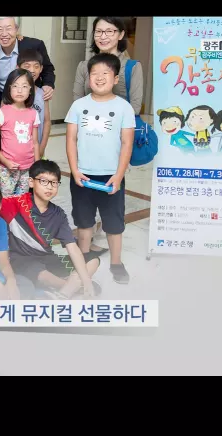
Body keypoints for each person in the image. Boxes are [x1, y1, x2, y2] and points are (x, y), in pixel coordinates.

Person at [73, 17, 145, 254]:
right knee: (86, 195)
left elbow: (135, 105)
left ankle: (106, 238)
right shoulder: (84, 66)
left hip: (115, 139)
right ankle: (88, 237)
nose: (103, 36)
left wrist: (109, 111)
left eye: (109, 31)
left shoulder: (131, 67)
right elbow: (77, 100)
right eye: (98, 31)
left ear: (121, 34)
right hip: (89, 137)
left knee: (112, 189)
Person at [0, 159, 101, 299]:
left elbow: (72, 247)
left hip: (46, 257)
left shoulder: (58, 214)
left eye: (54, 183)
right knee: (40, 274)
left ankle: (67, 290)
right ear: (31, 182)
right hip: (20, 259)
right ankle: (71, 288)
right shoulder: (15, 204)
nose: (49, 187)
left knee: (93, 259)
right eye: (44, 181)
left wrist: (86, 279)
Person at [65, 53, 135, 284]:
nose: (99, 77)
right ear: (88, 78)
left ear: (116, 79)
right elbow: (71, 139)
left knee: (114, 222)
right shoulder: (78, 105)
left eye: (105, 72)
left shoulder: (124, 107)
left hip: (111, 176)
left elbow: (127, 143)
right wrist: (74, 170)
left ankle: (117, 263)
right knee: (83, 220)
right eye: (94, 73)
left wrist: (119, 175)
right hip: (82, 174)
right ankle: (84, 258)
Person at [0, 17, 55, 104]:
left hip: (28, 98)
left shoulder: (35, 46)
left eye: (9, 28)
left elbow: (47, 69)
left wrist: (48, 84)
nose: (4, 34)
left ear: (16, 29)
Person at [0, 68, 40, 197]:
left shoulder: (33, 113)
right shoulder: (2, 112)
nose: (19, 90)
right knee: (6, 200)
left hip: (27, 168)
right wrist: (5, 161)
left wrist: (37, 166)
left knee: (22, 200)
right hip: (6, 168)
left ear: (30, 89)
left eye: (24, 86)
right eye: (15, 86)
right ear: (9, 88)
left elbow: (35, 142)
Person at [17, 49, 52, 157]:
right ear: (18, 68)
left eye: (36, 66)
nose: (32, 70)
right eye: (27, 66)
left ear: (41, 68)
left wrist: (42, 147)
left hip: (37, 149)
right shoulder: (11, 93)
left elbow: (47, 122)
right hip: (15, 151)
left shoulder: (43, 94)